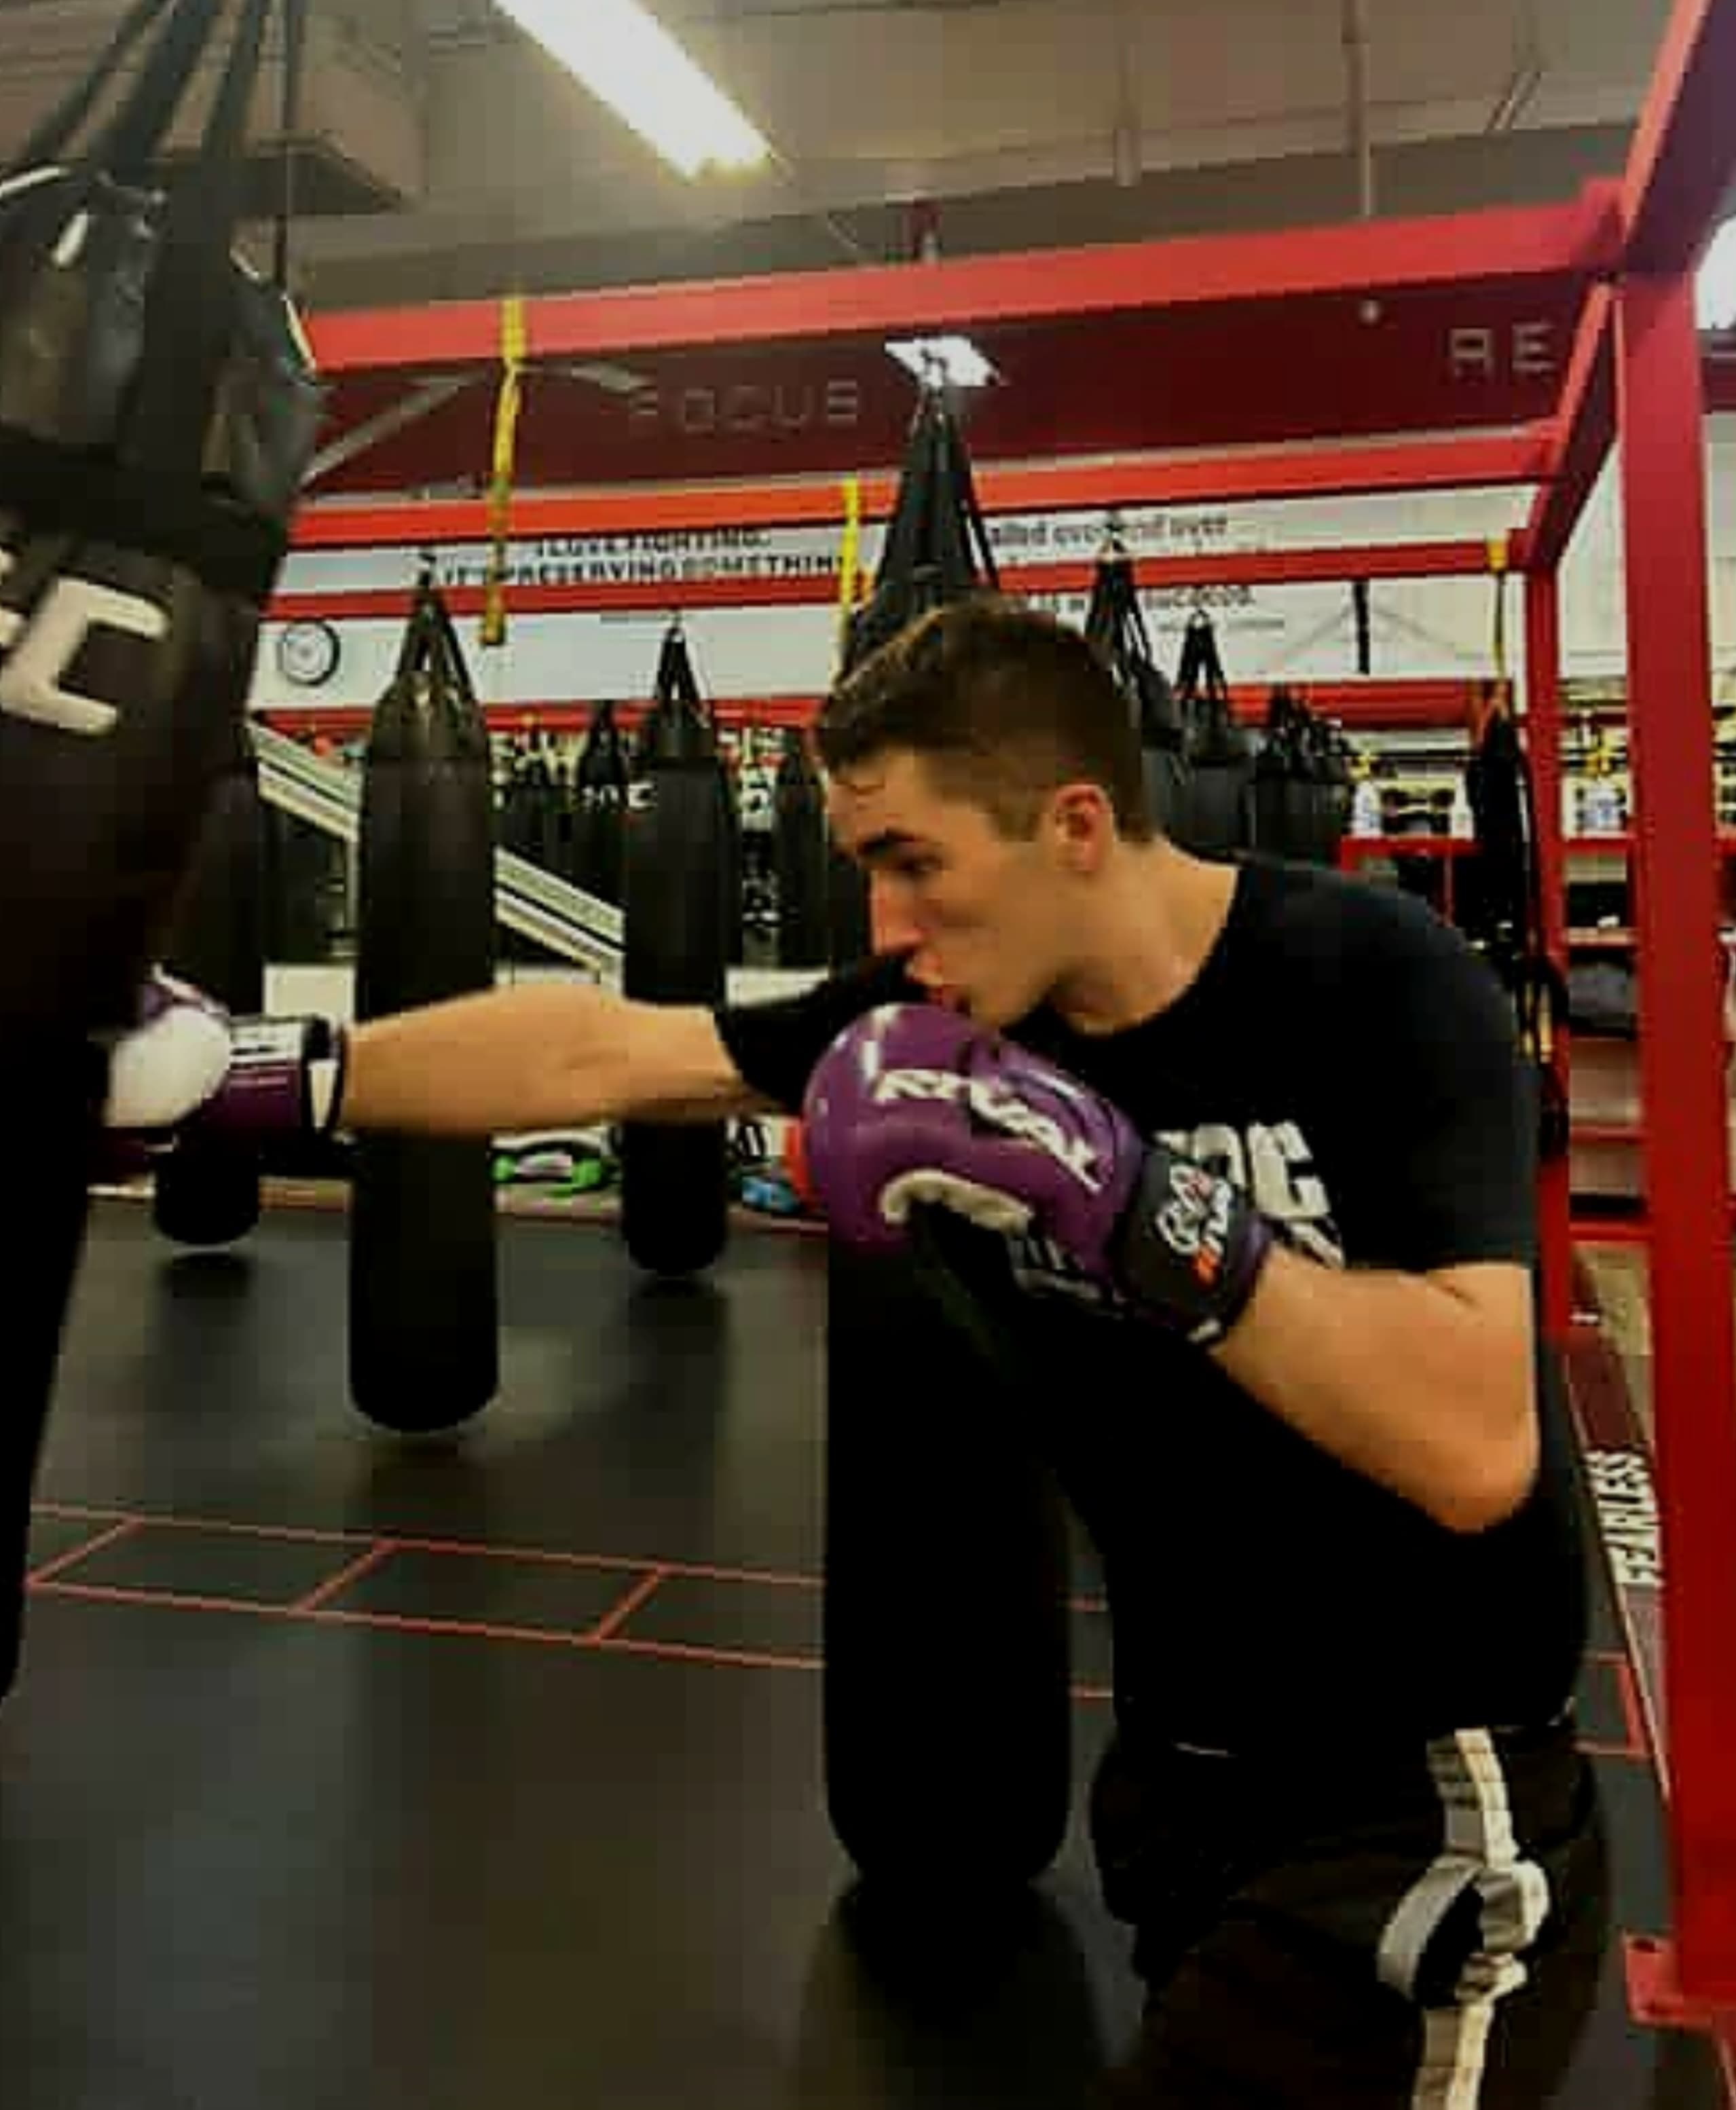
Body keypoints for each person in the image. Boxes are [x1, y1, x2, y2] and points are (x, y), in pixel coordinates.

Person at [115, 597, 1608, 2106]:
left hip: (1417, 1785)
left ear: (1074, 825)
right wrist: (251, 1072)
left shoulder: (1372, 980)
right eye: (866, 871)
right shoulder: (955, 1022)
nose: (887, 924)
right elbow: (613, 1049)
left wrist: (1134, 1203)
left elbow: (1474, 1449)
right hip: (1183, 1774)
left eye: (916, 863)